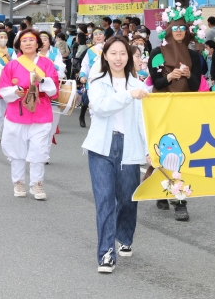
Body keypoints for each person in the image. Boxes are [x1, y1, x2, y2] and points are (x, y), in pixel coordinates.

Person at [82, 36, 148, 274]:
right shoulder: (97, 81)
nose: (118, 58)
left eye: (123, 53)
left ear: (129, 57)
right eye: (113, 53)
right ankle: (106, 253)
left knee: (128, 199)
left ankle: (125, 235)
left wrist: (150, 149)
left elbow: (144, 120)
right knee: (105, 200)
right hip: (101, 147)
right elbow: (100, 107)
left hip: (129, 146)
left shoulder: (138, 84)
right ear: (105, 56)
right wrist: (128, 96)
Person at [148, 6, 205, 221]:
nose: (179, 31)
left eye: (183, 27)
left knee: (180, 154)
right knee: (161, 150)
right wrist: (170, 76)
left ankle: (179, 199)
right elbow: (156, 81)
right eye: (175, 28)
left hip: (184, 109)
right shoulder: (156, 53)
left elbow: (196, 84)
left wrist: (189, 75)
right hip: (161, 108)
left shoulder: (193, 55)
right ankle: (168, 192)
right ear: (168, 30)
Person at [0, 28, 59, 199]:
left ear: (38, 43)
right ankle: (18, 182)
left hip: (41, 111)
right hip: (18, 112)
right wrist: (14, 92)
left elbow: (54, 90)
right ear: (19, 45)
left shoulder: (46, 64)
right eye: (24, 41)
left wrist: (41, 80)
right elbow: (2, 88)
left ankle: (37, 184)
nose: (28, 43)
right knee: (17, 149)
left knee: (39, 149)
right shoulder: (12, 65)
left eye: (31, 40)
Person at [39, 30, 67, 150]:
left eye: (45, 39)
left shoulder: (55, 52)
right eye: (40, 39)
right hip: (38, 91)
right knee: (39, 124)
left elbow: (61, 71)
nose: (43, 42)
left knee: (52, 122)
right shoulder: (32, 53)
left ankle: (46, 151)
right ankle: (38, 150)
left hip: (53, 90)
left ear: (50, 41)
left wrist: (49, 63)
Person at [78, 28, 107, 128]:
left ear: (104, 36)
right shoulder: (89, 51)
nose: (98, 36)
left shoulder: (110, 48)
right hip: (93, 81)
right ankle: (90, 122)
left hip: (107, 81)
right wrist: (82, 76)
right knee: (90, 103)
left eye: (100, 34)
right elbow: (85, 65)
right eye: (95, 35)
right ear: (93, 38)